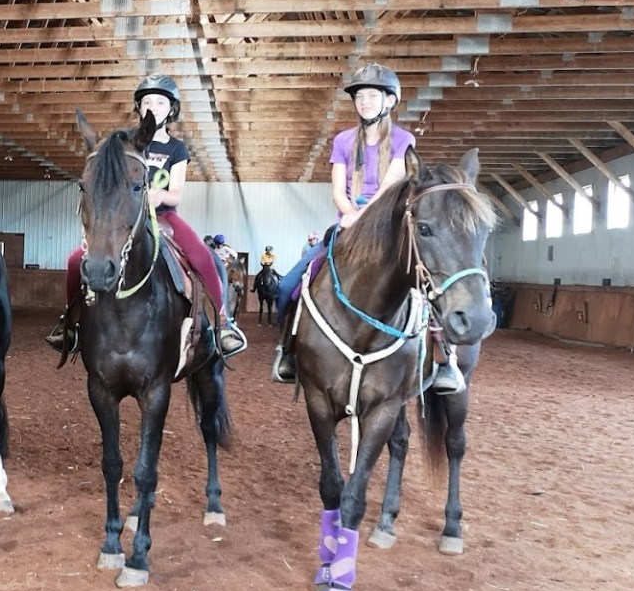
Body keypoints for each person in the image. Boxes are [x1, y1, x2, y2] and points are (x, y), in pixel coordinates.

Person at [271, 62, 463, 393]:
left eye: (372, 95)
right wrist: (348, 214)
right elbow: (337, 189)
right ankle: (289, 351)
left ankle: (445, 357)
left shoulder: (403, 139)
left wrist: (363, 217)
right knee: (291, 281)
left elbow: (391, 185)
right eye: (360, 96)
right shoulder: (344, 140)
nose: (364, 102)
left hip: (388, 227)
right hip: (347, 222)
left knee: (427, 280)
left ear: (389, 100)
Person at [46, 75, 246, 358]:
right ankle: (70, 322)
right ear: (138, 107)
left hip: (164, 216)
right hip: (126, 218)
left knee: (201, 255)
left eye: (160, 102)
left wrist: (158, 196)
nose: (153, 106)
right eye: (147, 101)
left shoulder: (176, 149)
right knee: (75, 260)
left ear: (171, 109)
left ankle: (224, 322)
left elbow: (176, 193)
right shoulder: (124, 143)